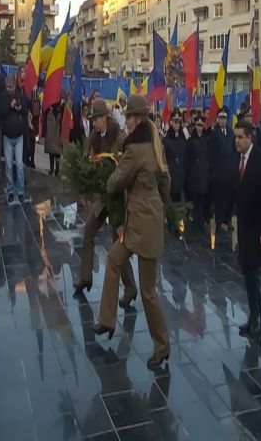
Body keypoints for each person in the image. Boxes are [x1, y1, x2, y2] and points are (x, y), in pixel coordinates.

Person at [93, 95, 171, 370]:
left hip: (143, 225)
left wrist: (107, 172)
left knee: (148, 291)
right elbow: (166, 180)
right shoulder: (153, 142)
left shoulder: (135, 149)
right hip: (142, 221)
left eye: (127, 117)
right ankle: (106, 320)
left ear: (138, 119)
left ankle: (162, 346)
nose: (124, 120)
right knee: (114, 259)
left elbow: (115, 183)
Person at [74, 100, 137, 304]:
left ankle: (130, 288)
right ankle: (85, 277)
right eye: (92, 120)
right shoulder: (92, 138)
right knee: (89, 232)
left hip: (118, 199)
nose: (94, 124)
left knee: (117, 244)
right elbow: (88, 162)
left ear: (104, 118)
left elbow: (127, 166)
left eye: (96, 120)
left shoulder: (120, 138)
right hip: (103, 196)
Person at [224, 121, 261, 339]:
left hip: (257, 228)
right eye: (235, 137)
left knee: (252, 274)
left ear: (249, 137)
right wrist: (225, 217)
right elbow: (234, 191)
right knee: (247, 273)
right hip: (243, 227)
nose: (236, 141)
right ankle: (253, 317)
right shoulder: (238, 160)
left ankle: (257, 321)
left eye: (240, 137)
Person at [0, 76, 27, 203]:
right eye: (7, 87)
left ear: (14, 87)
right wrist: (10, 107)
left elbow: (26, 112)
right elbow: (1, 113)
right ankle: (10, 190)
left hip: (19, 137)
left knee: (20, 165)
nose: (8, 89)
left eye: (10, 87)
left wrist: (20, 108)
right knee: (9, 166)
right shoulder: (3, 97)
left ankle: (20, 191)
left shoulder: (20, 96)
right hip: (7, 137)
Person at [209, 108, 236, 231]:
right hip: (219, 171)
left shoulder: (230, 132)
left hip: (230, 170)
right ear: (218, 119)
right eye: (221, 118)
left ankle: (227, 220)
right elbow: (212, 153)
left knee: (230, 197)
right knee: (220, 199)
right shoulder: (214, 133)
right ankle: (219, 222)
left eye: (225, 118)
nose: (223, 120)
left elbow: (234, 149)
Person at [185, 114, 212, 230]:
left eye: (201, 125)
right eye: (197, 125)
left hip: (204, 173)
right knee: (196, 200)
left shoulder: (206, 140)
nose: (199, 127)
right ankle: (196, 221)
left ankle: (201, 221)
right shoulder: (191, 141)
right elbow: (188, 159)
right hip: (195, 174)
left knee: (203, 199)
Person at [162, 110, 187, 203]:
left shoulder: (182, 139)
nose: (177, 124)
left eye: (178, 122)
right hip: (170, 177)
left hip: (180, 177)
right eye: (175, 121)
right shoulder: (166, 140)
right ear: (171, 122)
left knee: (178, 205)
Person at [44, 101, 63, 175]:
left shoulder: (49, 112)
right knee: (56, 153)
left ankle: (52, 169)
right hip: (56, 135)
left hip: (51, 134)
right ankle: (56, 170)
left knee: (52, 153)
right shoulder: (60, 112)